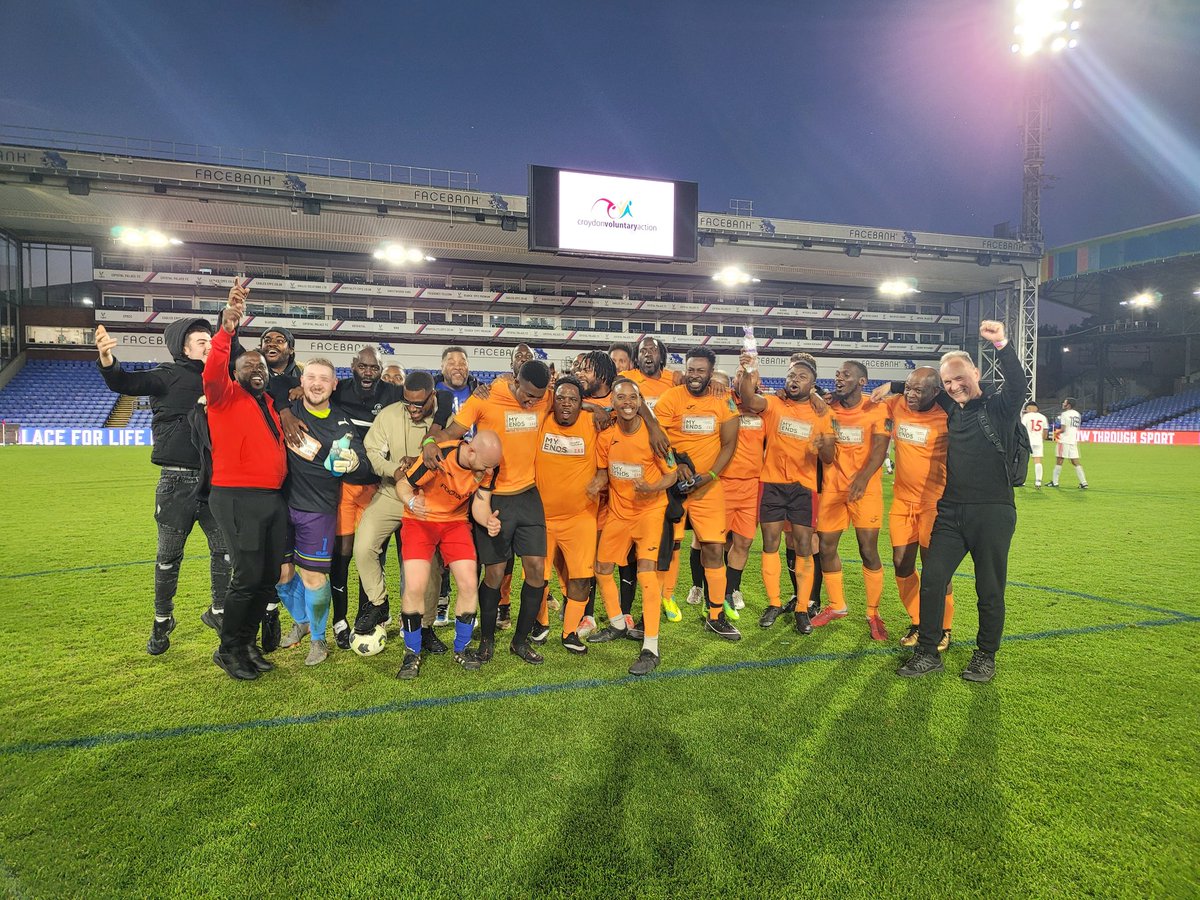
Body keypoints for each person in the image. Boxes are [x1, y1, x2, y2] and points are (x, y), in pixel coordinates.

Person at [896, 320, 1024, 683]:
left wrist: (1001, 342)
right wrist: (886, 388)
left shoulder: (1001, 407)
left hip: (993, 511)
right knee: (933, 580)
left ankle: (985, 656)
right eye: (948, 382)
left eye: (959, 378)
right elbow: (919, 388)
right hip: (951, 511)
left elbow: (1018, 383)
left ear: (976, 372)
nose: (954, 387)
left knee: (989, 587)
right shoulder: (950, 406)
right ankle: (928, 652)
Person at [95, 318, 230, 655]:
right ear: (182, 347)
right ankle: (162, 619)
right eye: (200, 340)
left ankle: (219, 613)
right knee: (168, 557)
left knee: (225, 553)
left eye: (209, 339)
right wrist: (108, 361)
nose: (208, 344)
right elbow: (124, 382)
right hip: (176, 481)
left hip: (217, 483)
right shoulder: (167, 374)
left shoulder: (223, 379)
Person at [421, 360, 553, 665]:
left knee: (535, 569)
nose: (531, 401)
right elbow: (452, 432)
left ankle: (520, 642)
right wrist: (429, 441)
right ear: (515, 380)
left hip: (529, 496)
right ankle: (488, 640)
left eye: (537, 397)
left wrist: (598, 411)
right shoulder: (486, 396)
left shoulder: (545, 396)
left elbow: (576, 400)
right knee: (494, 572)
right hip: (491, 497)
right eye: (527, 394)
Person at [203, 281, 288, 681]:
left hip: (271, 498)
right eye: (248, 366)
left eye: (262, 367)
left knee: (267, 577)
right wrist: (228, 327)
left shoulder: (269, 403)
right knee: (248, 576)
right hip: (237, 496)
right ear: (235, 374)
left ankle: (247, 642)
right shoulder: (224, 397)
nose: (257, 369)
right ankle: (229, 648)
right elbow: (214, 369)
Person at [353, 371, 456, 653]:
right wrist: (394, 471)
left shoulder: (446, 421)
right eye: (407, 403)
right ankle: (378, 603)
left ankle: (425, 627)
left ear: (433, 397)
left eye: (418, 405)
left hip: (427, 500)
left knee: (431, 567)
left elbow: (455, 456)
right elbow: (372, 451)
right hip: (391, 491)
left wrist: (417, 467)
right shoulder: (389, 415)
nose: (412, 410)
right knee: (363, 546)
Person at [387, 431, 504, 679]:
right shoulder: (440, 456)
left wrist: (488, 521)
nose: (486, 471)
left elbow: (480, 504)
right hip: (420, 521)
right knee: (415, 587)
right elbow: (403, 485)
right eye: (484, 465)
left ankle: (462, 648)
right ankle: (412, 652)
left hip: (455, 523)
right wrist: (410, 501)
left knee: (469, 583)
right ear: (471, 451)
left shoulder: (489, 467)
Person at [274, 359, 366, 666]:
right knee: (281, 574)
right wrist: (284, 408)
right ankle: (301, 620)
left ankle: (318, 638)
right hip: (279, 505)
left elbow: (363, 463)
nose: (316, 383)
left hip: (317, 510)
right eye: (311, 377)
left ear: (334, 384)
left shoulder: (343, 424)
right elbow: (267, 382)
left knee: (314, 578)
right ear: (301, 381)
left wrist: (353, 462)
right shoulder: (287, 409)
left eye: (324, 379)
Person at [736, 354, 835, 631]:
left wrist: (823, 444)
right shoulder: (775, 403)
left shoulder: (821, 412)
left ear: (813, 383)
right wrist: (747, 369)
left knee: (803, 547)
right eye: (792, 375)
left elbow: (829, 457)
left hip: (804, 488)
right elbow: (747, 399)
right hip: (773, 484)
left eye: (802, 377)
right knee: (770, 545)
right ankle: (775, 602)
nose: (795, 380)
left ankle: (802, 608)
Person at [586, 377, 678, 674]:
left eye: (632, 398)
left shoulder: (654, 437)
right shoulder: (606, 438)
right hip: (618, 513)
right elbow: (604, 472)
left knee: (646, 573)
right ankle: (616, 623)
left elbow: (672, 475)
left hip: (650, 512)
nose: (627, 402)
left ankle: (650, 646)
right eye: (621, 398)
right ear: (612, 403)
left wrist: (652, 488)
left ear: (640, 403)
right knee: (601, 568)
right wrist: (594, 484)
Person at [652, 348, 742, 640]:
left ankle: (715, 614)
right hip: (675, 488)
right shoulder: (671, 397)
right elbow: (656, 437)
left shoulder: (723, 400)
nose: (694, 375)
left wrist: (710, 475)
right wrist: (674, 465)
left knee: (714, 548)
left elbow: (729, 445)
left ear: (711, 372)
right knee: (669, 548)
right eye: (691, 369)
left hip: (709, 488)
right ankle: (662, 602)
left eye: (701, 371)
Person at [325, 347, 405, 648]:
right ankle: (340, 619)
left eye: (374, 367)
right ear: (353, 366)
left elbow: (437, 397)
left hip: (378, 487)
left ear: (381, 369)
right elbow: (310, 397)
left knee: (371, 556)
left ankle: (367, 614)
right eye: (363, 366)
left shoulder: (393, 392)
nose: (368, 372)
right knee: (342, 556)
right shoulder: (338, 390)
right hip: (345, 486)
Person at [811, 360, 892, 640]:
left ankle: (873, 612)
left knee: (868, 549)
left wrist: (862, 479)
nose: (838, 378)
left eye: (846, 375)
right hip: (833, 488)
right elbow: (828, 456)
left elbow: (880, 449)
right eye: (836, 374)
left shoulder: (877, 408)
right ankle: (837, 605)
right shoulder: (828, 409)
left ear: (862, 382)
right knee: (826, 547)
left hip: (865, 488)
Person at [883, 367, 955, 651]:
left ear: (936, 392)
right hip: (902, 501)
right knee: (901, 562)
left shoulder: (947, 417)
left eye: (919, 390)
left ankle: (943, 628)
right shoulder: (896, 404)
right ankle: (918, 621)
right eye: (908, 388)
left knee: (936, 570)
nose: (911, 395)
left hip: (934, 504)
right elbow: (861, 404)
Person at [534, 375, 600, 653]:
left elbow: (611, 456)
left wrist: (604, 475)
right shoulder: (541, 419)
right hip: (541, 518)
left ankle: (570, 631)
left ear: (582, 404)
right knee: (537, 577)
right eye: (561, 398)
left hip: (580, 518)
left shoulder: (595, 423)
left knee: (582, 578)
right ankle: (541, 623)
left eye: (573, 399)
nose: (566, 404)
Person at [1051, 398, 1087, 489]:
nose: (1063, 403)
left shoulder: (1064, 414)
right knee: (1075, 462)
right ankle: (1084, 482)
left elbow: (1063, 429)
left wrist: (1056, 432)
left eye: (1065, 402)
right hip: (1073, 440)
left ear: (1069, 405)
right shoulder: (1077, 414)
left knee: (1059, 460)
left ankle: (1055, 482)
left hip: (1064, 440)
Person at [1021, 402, 1050, 488]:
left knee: (1024, 461)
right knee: (1038, 461)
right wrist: (1042, 440)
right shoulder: (1043, 417)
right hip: (1038, 441)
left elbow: (1022, 429)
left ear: (1029, 408)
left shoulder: (1026, 417)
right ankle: (1038, 481)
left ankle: (1022, 481)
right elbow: (1045, 431)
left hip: (1027, 441)